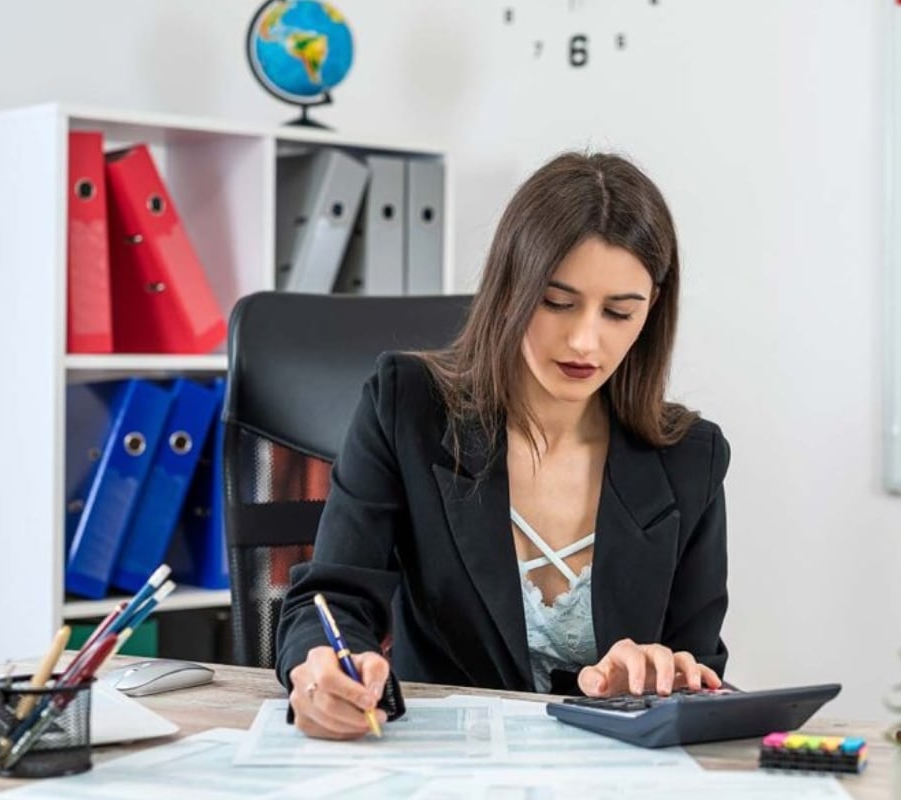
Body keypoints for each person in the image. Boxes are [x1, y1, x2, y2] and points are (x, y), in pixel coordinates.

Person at [276, 152, 732, 741]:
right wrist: (322, 670)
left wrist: (658, 681)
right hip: (442, 762)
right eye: (557, 302)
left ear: (652, 309)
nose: (584, 339)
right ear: (511, 284)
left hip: (610, 771)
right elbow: (331, 597)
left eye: (619, 312)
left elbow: (700, 669)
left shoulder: (691, 457)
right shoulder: (407, 407)